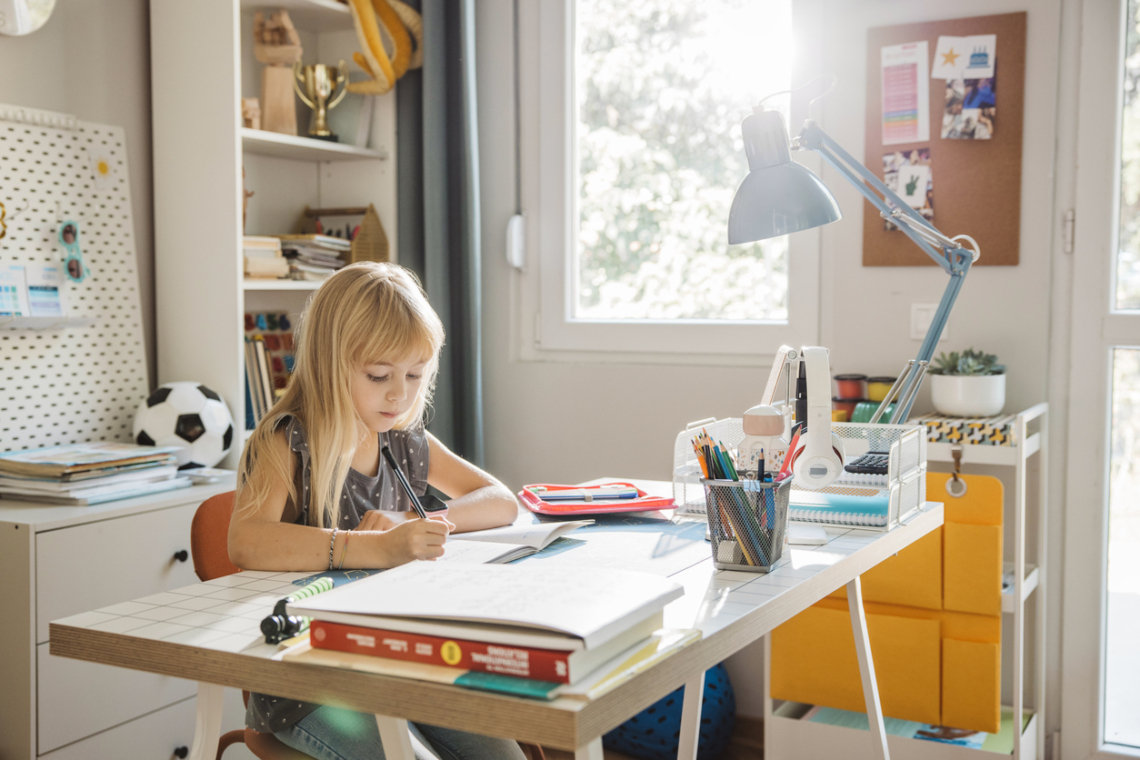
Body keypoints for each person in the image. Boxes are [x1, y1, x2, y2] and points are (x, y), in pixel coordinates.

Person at [229, 261, 524, 760]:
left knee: (503, 755)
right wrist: (369, 547)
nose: (400, 394)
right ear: (328, 362)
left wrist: (411, 525)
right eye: (379, 375)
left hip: (392, 658)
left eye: (414, 374)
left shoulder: (402, 438)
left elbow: (500, 500)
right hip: (307, 681)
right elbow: (246, 541)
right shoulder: (288, 442)